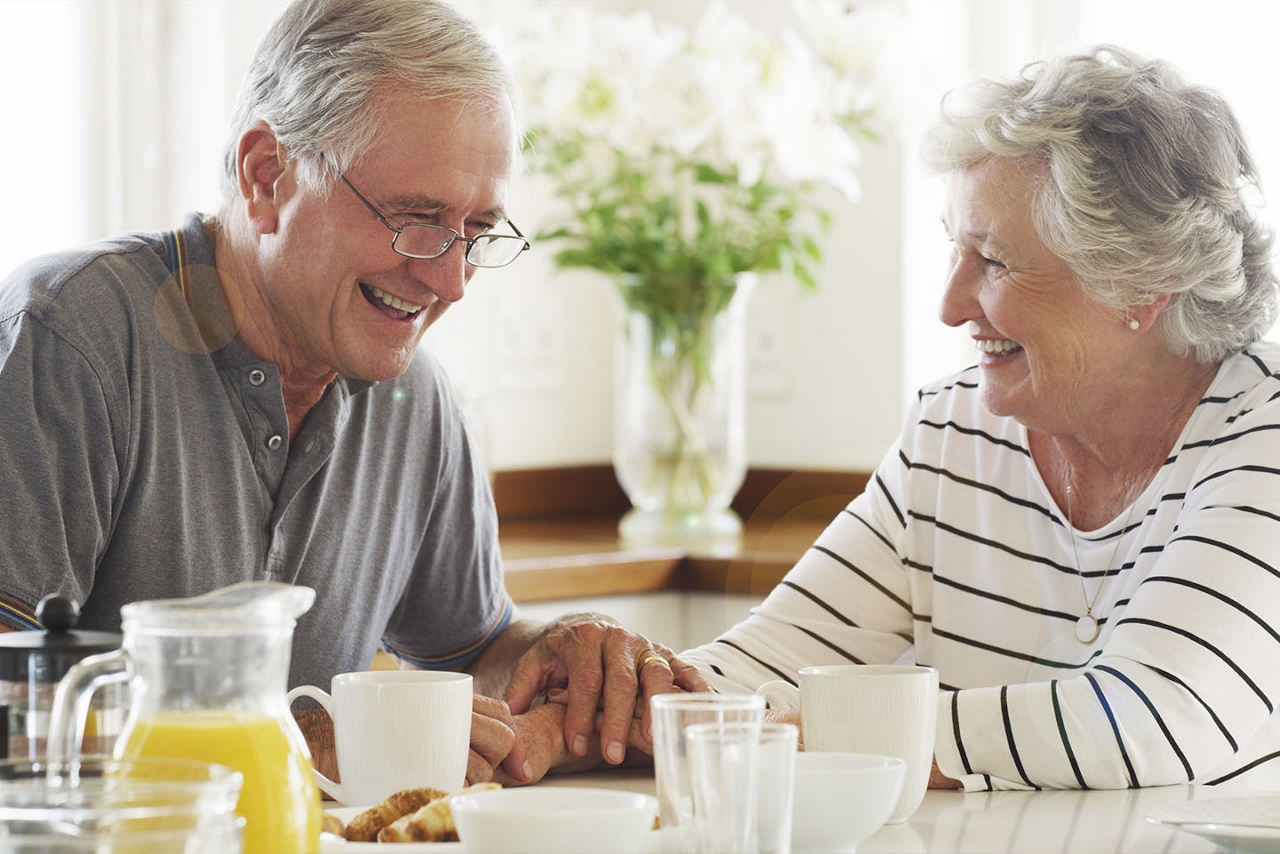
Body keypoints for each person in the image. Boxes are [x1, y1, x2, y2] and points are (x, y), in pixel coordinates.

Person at [0, 0, 703, 787]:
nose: (451, 280)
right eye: (418, 218)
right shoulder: (70, 339)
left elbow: (468, 655)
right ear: (265, 176)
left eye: (477, 231)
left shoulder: (417, 403)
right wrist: (299, 739)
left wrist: (564, 654)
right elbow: (9, 713)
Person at [678, 45, 1280, 791]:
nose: (950, 305)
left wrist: (817, 732)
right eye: (955, 250)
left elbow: (1150, 723)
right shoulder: (952, 430)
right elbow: (763, 660)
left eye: (993, 261)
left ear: (1142, 283)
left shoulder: (1264, 437)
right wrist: (605, 708)